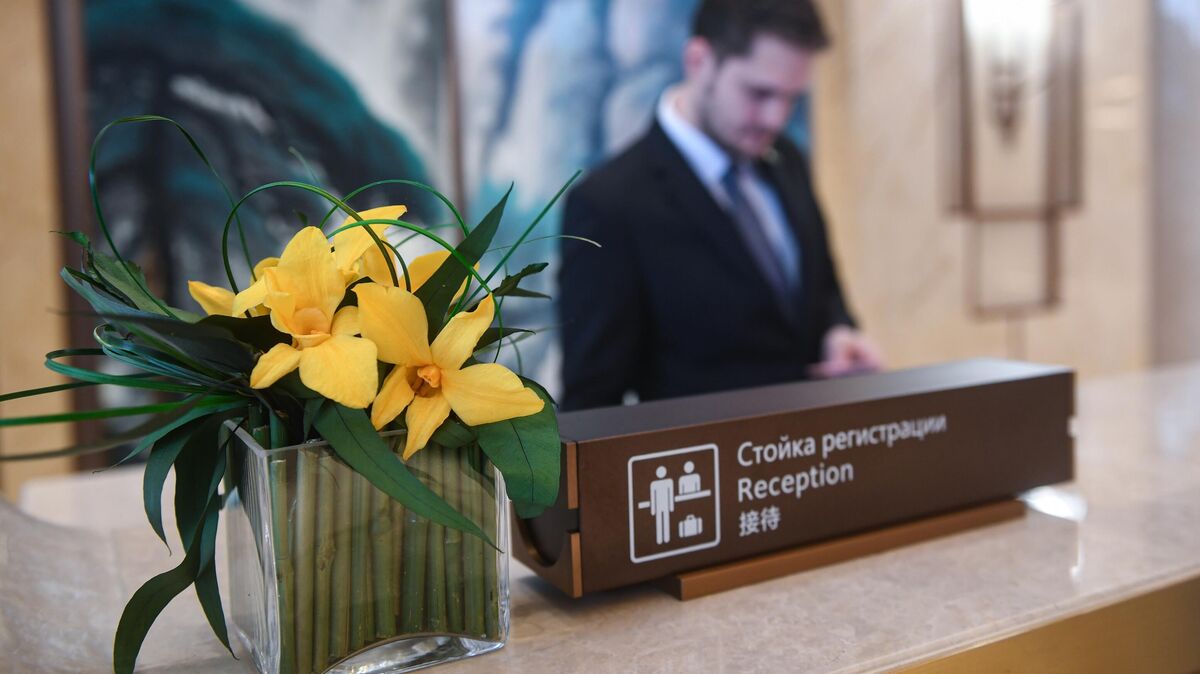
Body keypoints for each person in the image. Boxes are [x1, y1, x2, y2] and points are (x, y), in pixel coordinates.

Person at [558, 0, 882, 411]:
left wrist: (837, 333)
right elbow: (591, 404)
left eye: (791, 99)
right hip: (702, 468)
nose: (775, 118)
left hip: (813, 455)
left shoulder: (789, 160)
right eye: (759, 93)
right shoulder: (609, 204)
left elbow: (822, 292)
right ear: (699, 61)